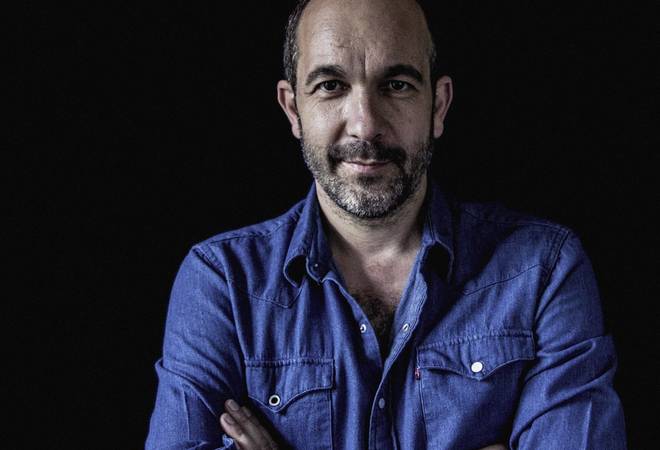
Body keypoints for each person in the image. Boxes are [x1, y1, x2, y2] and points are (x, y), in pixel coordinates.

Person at [146, 0, 627, 448]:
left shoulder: (543, 270)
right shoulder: (222, 283)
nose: (366, 125)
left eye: (396, 85)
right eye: (331, 86)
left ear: (437, 106)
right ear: (293, 109)